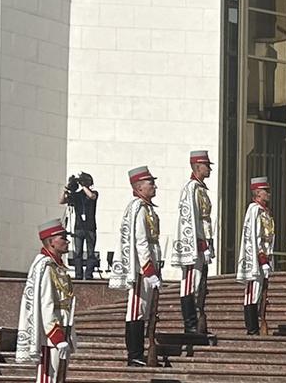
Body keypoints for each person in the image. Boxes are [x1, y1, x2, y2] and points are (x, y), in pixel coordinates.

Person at [17, 219, 77, 383]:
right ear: (51, 242)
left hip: (60, 335)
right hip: (48, 338)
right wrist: (57, 338)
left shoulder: (57, 266)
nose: (67, 240)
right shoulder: (44, 266)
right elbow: (46, 305)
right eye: (63, 237)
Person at [109, 166, 162, 367]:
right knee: (136, 310)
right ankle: (134, 354)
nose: (154, 186)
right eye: (151, 183)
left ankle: (139, 352)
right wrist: (148, 270)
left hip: (150, 267)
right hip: (141, 270)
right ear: (139, 187)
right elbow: (140, 241)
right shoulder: (138, 209)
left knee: (146, 310)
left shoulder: (147, 208)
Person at [175, 149, 214, 334]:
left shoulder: (201, 190)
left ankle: (197, 320)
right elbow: (190, 221)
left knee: (200, 284)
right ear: (198, 167)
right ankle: (190, 324)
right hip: (194, 247)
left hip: (203, 244)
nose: (210, 169)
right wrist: (201, 244)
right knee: (190, 283)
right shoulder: (191, 189)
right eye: (207, 166)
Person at [237, 176, 274, 336]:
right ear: (258, 193)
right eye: (266, 191)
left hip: (264, 257)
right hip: (257, 259)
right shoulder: (254, 210)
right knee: (252, 292)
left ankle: (258, 324)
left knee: (259, 293)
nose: (269, 194)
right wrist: (261, 259)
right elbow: (253, 237)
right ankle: (252, 328)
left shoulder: (265, 211)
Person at [62, 172, 98, 279]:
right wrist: (66, 190)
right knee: (78, 253)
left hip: (90, 228)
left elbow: (91, 196)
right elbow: (62, 201)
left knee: (90, 253)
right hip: (78, 228)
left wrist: (83, 186)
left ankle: (88, 274)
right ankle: (78, 275)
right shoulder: (77, 196)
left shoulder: (94, 192)